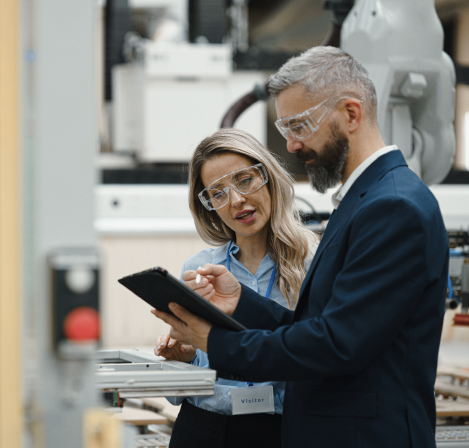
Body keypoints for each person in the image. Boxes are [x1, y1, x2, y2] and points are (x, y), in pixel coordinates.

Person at [152, 46, 449, 448]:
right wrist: (241, 301)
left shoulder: (392, 206)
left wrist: (214, 341)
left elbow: (336, 344)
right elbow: (316, 328)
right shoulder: (364, 200)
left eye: (300, 125)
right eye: (285, 129)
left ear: (350, 113)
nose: (291, 145)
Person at [152, 128, 317, 448]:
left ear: (268, 176)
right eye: (217, 193)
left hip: (280, 432)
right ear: (208, 205)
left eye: (244, 180)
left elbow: (321, 358)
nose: (236, 200)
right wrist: (182, 360)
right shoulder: (199, 270)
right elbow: (177, 395)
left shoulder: (312, 265)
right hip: (203, 431)